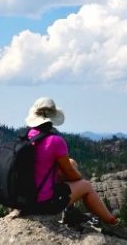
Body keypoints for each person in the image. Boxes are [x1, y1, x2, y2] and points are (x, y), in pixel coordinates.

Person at [24, 97, 120, 228]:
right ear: (52, 119)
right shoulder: (55, 141)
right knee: (86, 185)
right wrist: (79, 179)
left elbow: (67, 166)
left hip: (28, 197)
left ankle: (70, 213)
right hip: (43, 203)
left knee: (72, 163)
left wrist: (72, 171)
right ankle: (112, 224)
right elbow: (71, 174)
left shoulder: (30, 135)